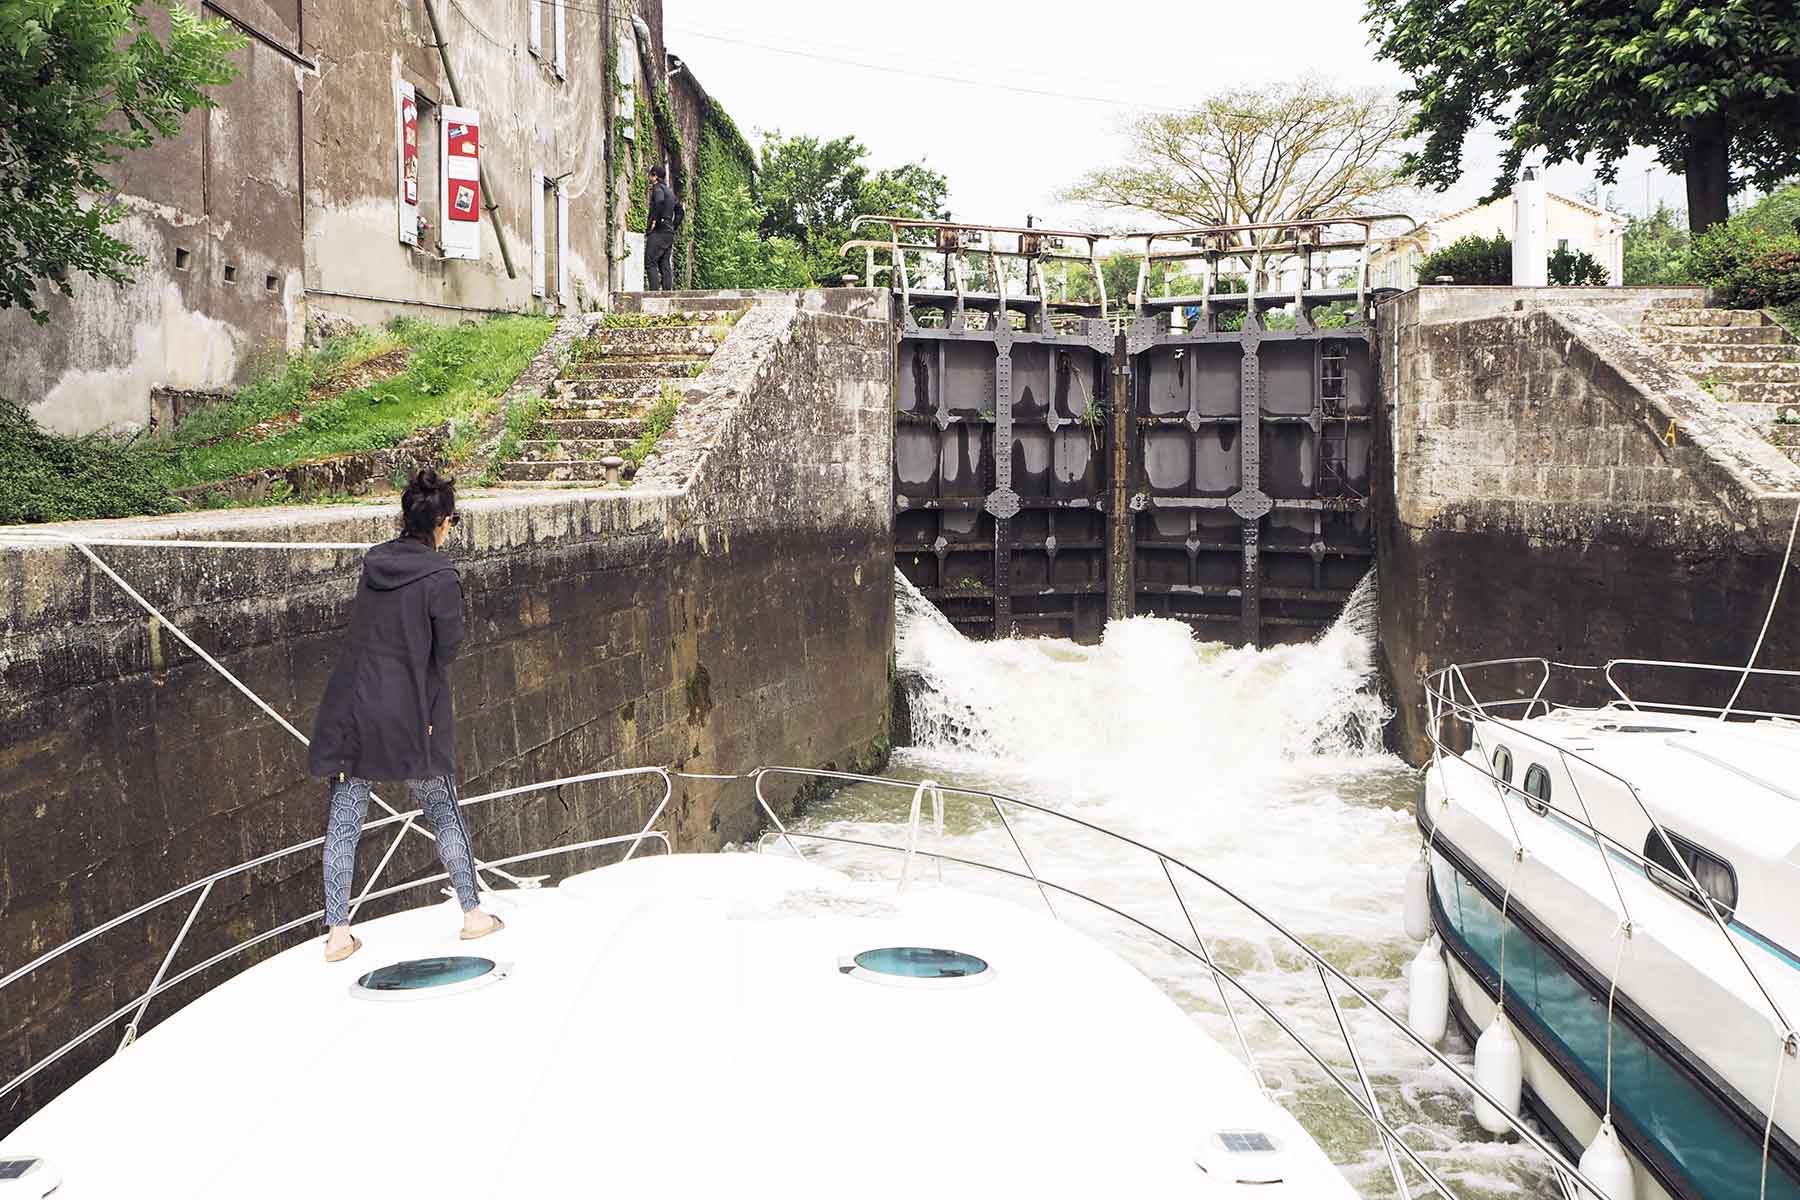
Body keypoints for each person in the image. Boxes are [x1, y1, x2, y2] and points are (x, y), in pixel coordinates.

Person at [308, 468, 502, 962]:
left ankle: (337, 934)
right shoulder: (441, 578)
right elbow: (449, 649)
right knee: (442, 808)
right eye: (452, 521)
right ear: (440, 522)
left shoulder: (374, 566)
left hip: (356, 709)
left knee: (345, 820)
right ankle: (473, 914)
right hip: (416, 713)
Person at [645, 164, 676, 291]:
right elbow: (680, 211)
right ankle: (667, 293)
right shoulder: (670, 192)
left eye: (651, 175)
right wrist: (673, 225)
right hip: (669, 232)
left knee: (650, 261)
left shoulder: (657, 188)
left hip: (659, 231)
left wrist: (654, 221)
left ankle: (653, 294)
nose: (649, 178)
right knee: (664, 263)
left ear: (655, 176)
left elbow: (659, 201)